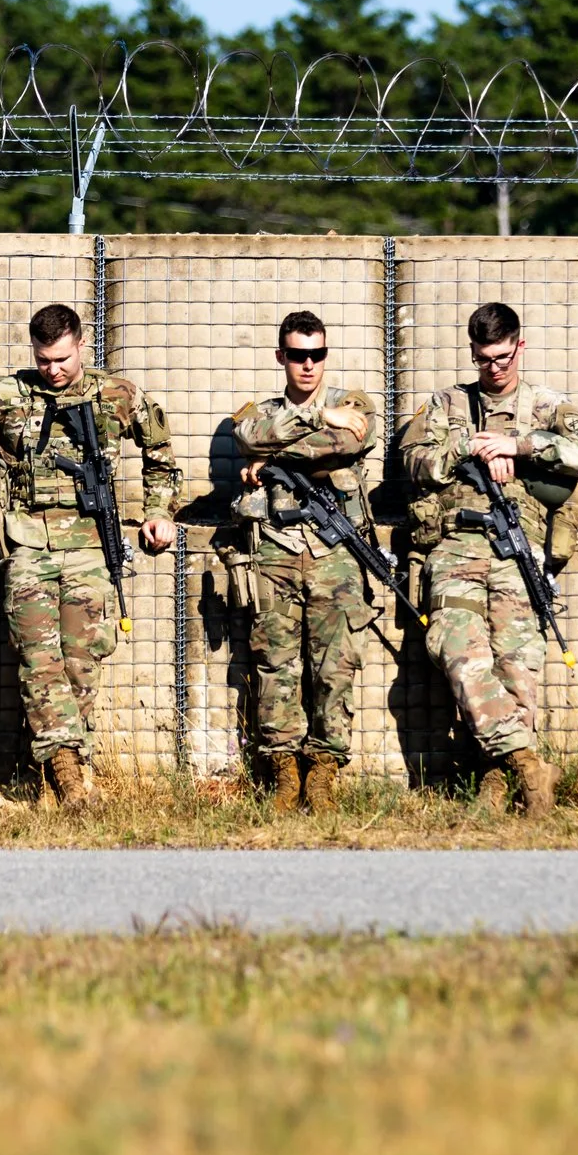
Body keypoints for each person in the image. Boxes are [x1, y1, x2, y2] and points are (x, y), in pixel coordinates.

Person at [0, 304, 179, 805]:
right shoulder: (5, 394)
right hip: (26, 542)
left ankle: (61, 775)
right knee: (37, 659)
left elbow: (161, 454)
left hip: (91, 545)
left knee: (83, 662)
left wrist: (159, 511)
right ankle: (68, 775)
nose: (54, 370)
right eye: (44, 360)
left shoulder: (117, 394)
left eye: (63, 359)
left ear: (82, 344)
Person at [397, 301, 578, 817]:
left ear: (519, 347)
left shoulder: (547, 405)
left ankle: (497, 780)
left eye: (503, 356)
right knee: (456, 651)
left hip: (519, 548)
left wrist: (520, 445)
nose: (494, 368)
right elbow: (413, 461)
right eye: (484, 358)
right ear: (472, 353)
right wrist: (472, 448)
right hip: (456, 545)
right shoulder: (447, 404)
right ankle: (530, 765)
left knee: (518, 669)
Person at [227, 311, 383, 811]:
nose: (309, 365)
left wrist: (274, 458)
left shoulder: (353, 404)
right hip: (275, 550)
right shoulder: (259, 412)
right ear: (282, 357)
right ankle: (284, 773)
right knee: (276, 664)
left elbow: (350, 440)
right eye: (298, 355)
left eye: (317, 354)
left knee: (334, 667)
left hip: (335, 554)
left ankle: (323, 773)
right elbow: (248, 437)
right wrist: (314, 419)